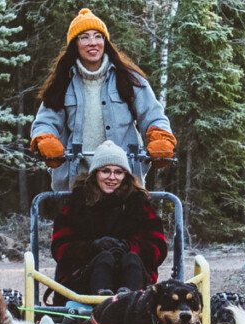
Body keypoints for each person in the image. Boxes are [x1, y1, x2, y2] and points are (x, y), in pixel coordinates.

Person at [29, 10, 174, 191]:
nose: (93, 43)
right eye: (84, 37)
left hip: (123, 178)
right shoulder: (61, 83)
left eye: (98, 36)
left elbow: (153, 115)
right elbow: (45, 122)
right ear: (75, 44)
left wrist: (161, 138)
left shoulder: (130, 79)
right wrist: (45, 140)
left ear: (105, 42)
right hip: (78, 180)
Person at [51, 143, 167, 295]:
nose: (112, 177)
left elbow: (158, 247)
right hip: (85, 275)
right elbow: (60, 248)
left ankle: (128, 300)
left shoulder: (138, 203)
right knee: (104, 258)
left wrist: (129, 247)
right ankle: (102, 301)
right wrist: (92, 247)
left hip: (134, 274)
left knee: (131, 258)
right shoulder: (78, 202)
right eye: (105, 171)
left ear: (125, 175)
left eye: (118, 172)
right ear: (95, 173)